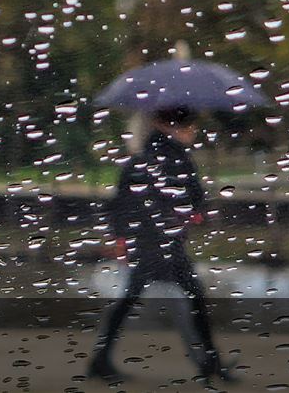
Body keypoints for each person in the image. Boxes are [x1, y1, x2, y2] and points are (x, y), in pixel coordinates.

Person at [87, 106, 235, 384]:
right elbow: (194, 202)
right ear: (176, 127)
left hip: (144, 244)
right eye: (190, 127)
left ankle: (101, 359)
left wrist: (122, 239)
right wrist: (192, 214)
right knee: (192, 300)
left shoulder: (139, 160)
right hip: (165, 246)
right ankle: (211, 363)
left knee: (133, 300)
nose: (193, 133)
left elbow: (120, 205)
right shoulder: (179, 161)